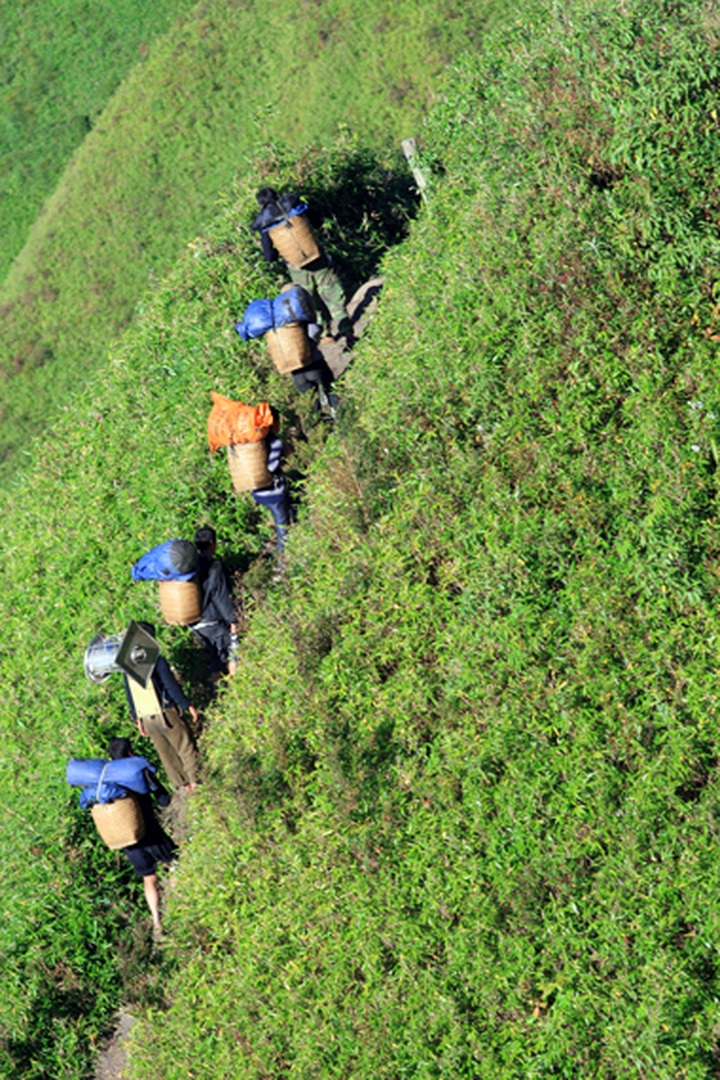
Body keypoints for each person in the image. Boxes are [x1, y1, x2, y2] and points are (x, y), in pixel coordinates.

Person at [251, 187, 352, 342]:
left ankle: (325, 335)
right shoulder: (293, 205)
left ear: (261, 205)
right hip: (317, 258)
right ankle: (346, 329)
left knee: (310, 301)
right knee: (333, 294)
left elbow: (269, 256)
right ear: (276, 196)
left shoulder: (265, 222)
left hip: (296, 267)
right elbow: (318, 220)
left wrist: (283, 252)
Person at [108, 736, 177, 939]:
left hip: (128, 840)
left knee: (149, 877)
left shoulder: (106, 778)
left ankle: (157, 921)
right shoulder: (137, 769)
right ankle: (181, 900)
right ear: (130, 753)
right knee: (172, 862)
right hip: (150, 832)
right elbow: (162, 798)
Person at [123, 622, 201, 793]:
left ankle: (183, 785)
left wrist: (137, 720)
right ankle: (195, 781)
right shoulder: (157, 660)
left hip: (146, 716)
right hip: (165, 711)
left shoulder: (127, 666)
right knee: (184, 745)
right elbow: (171, 686)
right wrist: (187, 705)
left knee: (166, 753)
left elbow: (130, 694)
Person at [191, 527, 239, 680]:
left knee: (215, 656)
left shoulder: (190, 565)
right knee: (232, 651)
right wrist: (232, 620)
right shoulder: (214, 566)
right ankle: (236, 686)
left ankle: (217, 689)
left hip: (194, 622)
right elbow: (221, 596)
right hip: (212, 620)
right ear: (212, 543)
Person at [251, 408, 295, 552]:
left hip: (258, 492)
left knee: (284, 518)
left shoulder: (255, 441)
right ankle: (282, 560)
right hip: (274, 493)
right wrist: (283, 456)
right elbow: (271, 467)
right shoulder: (275, 442)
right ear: (274, 423)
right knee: (283, 529)